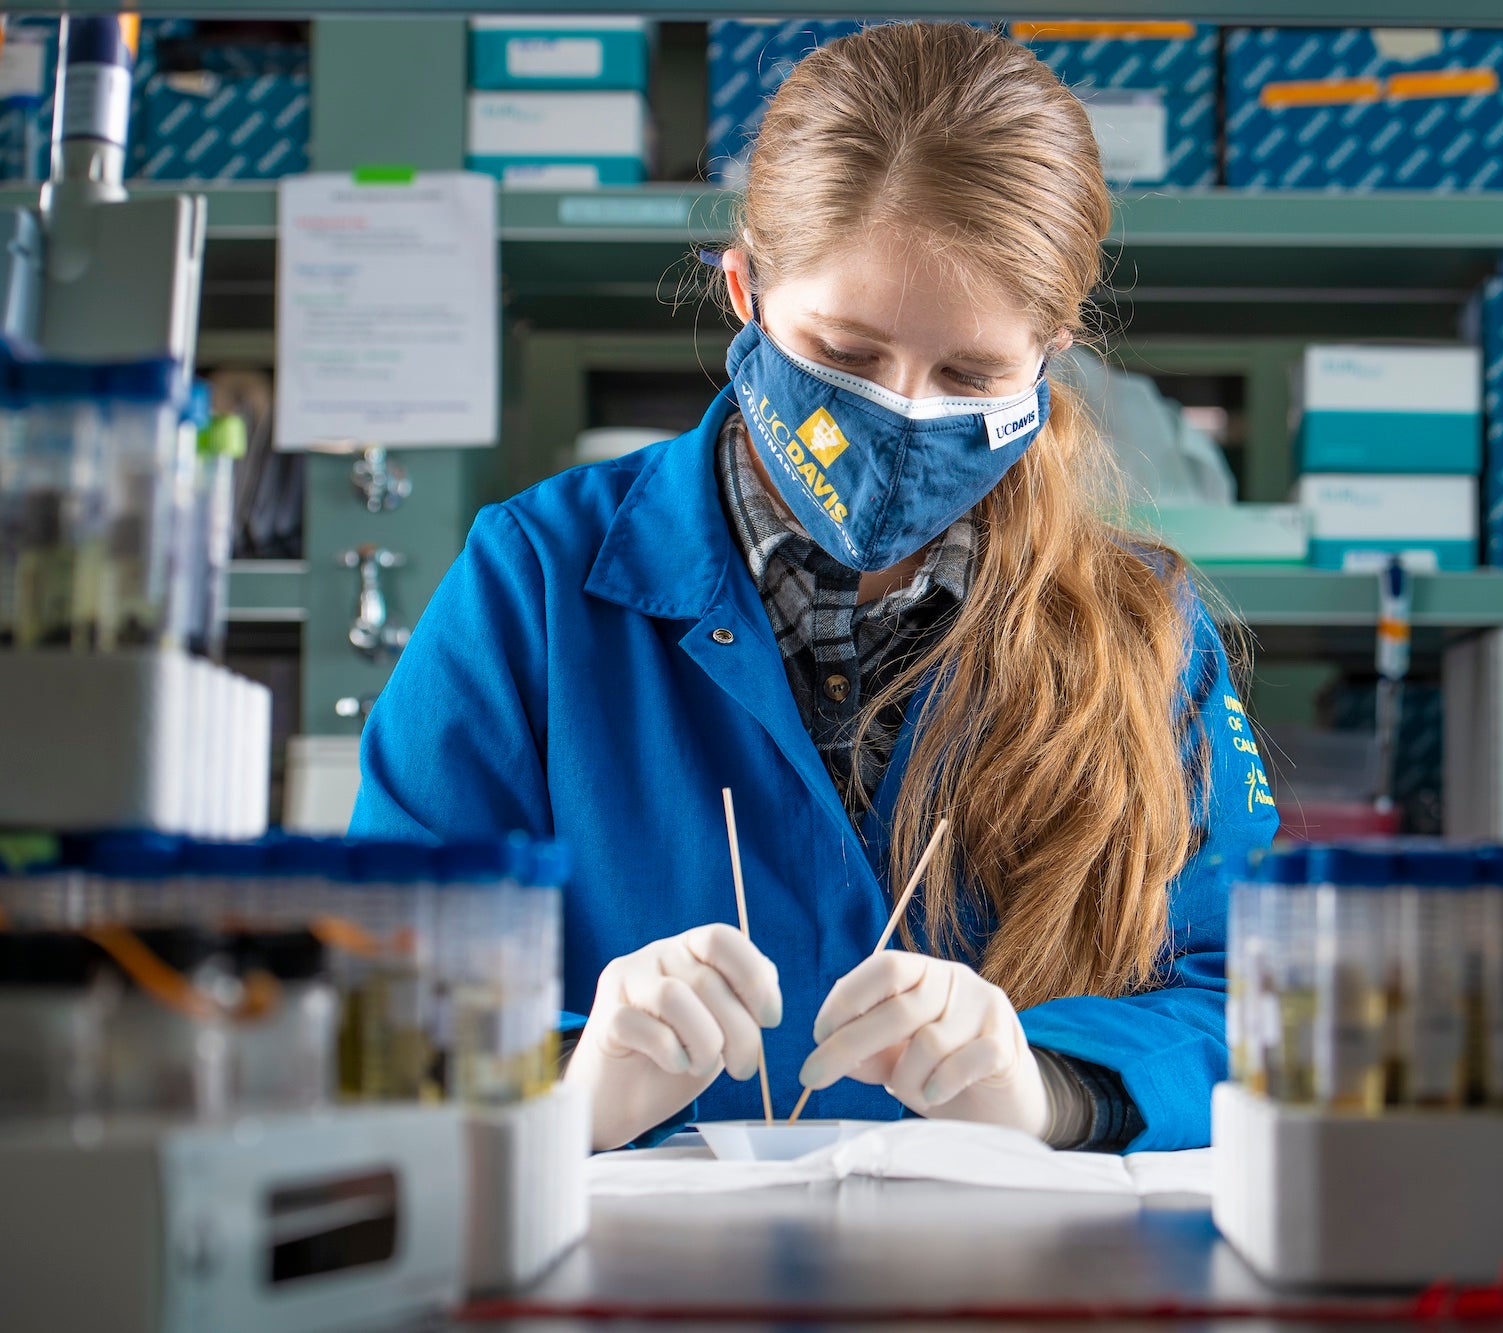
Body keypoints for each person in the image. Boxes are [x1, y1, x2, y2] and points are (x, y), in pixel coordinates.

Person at [350, 21, 1278, 1154]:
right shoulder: (535, 584)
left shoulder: (1144, 631)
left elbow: (1257, 1000)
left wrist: (1053, 1089)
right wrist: (560, 1085)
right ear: (744, 288)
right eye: (843, 356)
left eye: (969, 376)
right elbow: (380, 992)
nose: (899, 414)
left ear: (1050, 357)